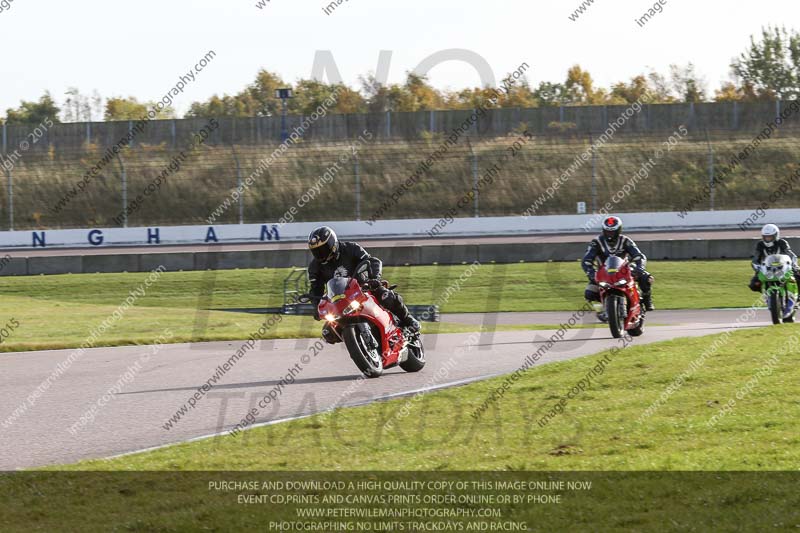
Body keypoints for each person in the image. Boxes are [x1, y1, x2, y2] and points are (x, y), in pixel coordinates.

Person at [306, 226, 420, 345]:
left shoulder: (351, 248)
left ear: (332, 243)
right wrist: (316, 308)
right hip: (340, 301)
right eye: (316, 251)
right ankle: (358, 343)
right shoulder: (315, 267)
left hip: (364, 288)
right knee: (328, 332)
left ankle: (408, 320)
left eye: (323, 249)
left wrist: (374, 279)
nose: (320, 254)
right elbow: (316, 290)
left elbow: (372, 261)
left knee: (386, 296)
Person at [582, 215, 655, 311]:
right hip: (603, 273)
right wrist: (591, 273)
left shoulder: (626, 241)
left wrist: (640, 267)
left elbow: (639, 256)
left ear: (618, 231)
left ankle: (647, 300)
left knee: (646, 278)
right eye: (607, 231)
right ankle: (606, 307)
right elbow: (586, 260)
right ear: (603, 230)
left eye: (612, 232)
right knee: (589, 293)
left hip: (624, 270)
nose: (610, 234)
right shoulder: (596, 242)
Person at [748, 223, 800, 292]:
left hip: (783, 267)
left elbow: (790, 254)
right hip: (767, 269)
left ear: (776, 235)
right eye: (765, 237)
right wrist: (756, 266)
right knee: (754, 285)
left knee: (798, 277)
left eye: (770, 237)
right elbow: (756, 257)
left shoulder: (782, 242)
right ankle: (766, 294)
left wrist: (795, 266)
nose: (767, 239)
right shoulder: (760, 244)